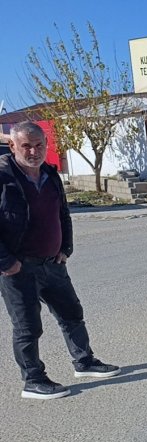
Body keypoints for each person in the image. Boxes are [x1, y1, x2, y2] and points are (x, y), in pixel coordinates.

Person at [0, 122, 120, 400]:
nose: (33, 151)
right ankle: (32, 380)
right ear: (13, 146)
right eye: (26, 146)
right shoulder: (3, 177)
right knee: (28, 326)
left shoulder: (50, 174)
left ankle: (84, 362)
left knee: (71, 314)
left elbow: (62, 213)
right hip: (17, 268)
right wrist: (6, 262)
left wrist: (66, 247)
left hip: (52, 263)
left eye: (39, 145)